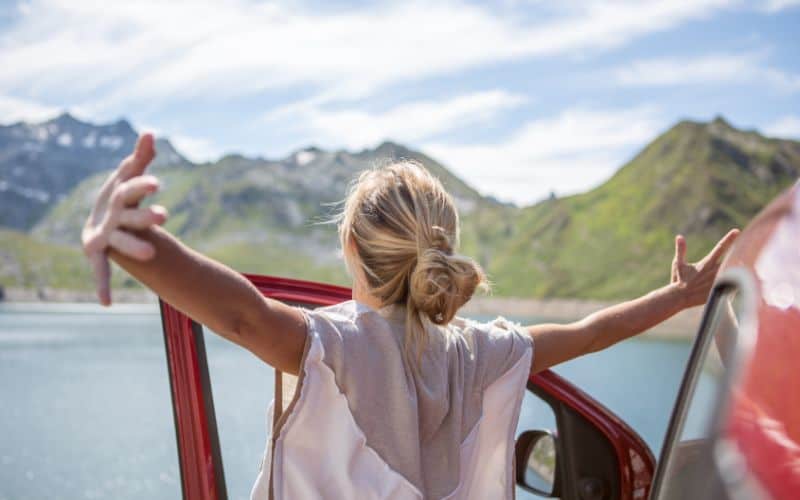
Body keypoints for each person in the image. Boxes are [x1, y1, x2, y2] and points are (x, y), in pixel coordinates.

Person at [82, 134, 739, 499]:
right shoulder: (481, 351)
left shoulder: (336, 347)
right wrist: (678, 299)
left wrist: (138, 241)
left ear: (349, 248)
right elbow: (592, 333)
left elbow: (240, 316)